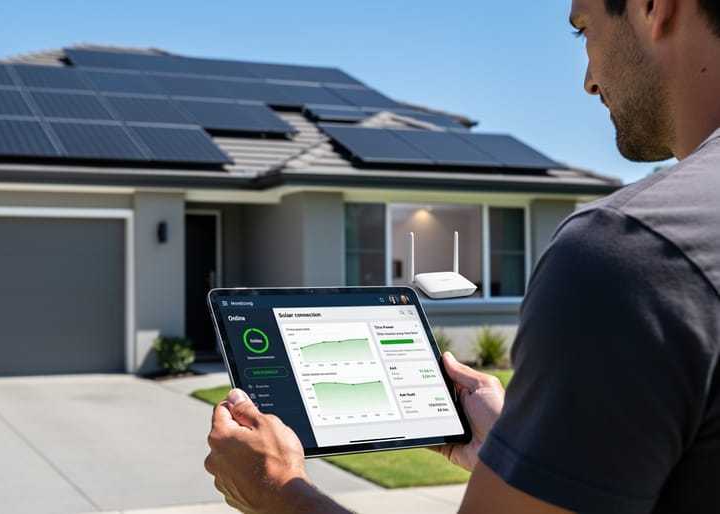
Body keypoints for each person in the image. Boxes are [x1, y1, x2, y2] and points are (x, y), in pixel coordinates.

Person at [205, 0, 720, 511]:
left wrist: (277, 490)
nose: (587, 80)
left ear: (654, 7)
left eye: (583, 29)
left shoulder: (630, 254)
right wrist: (525, 450)